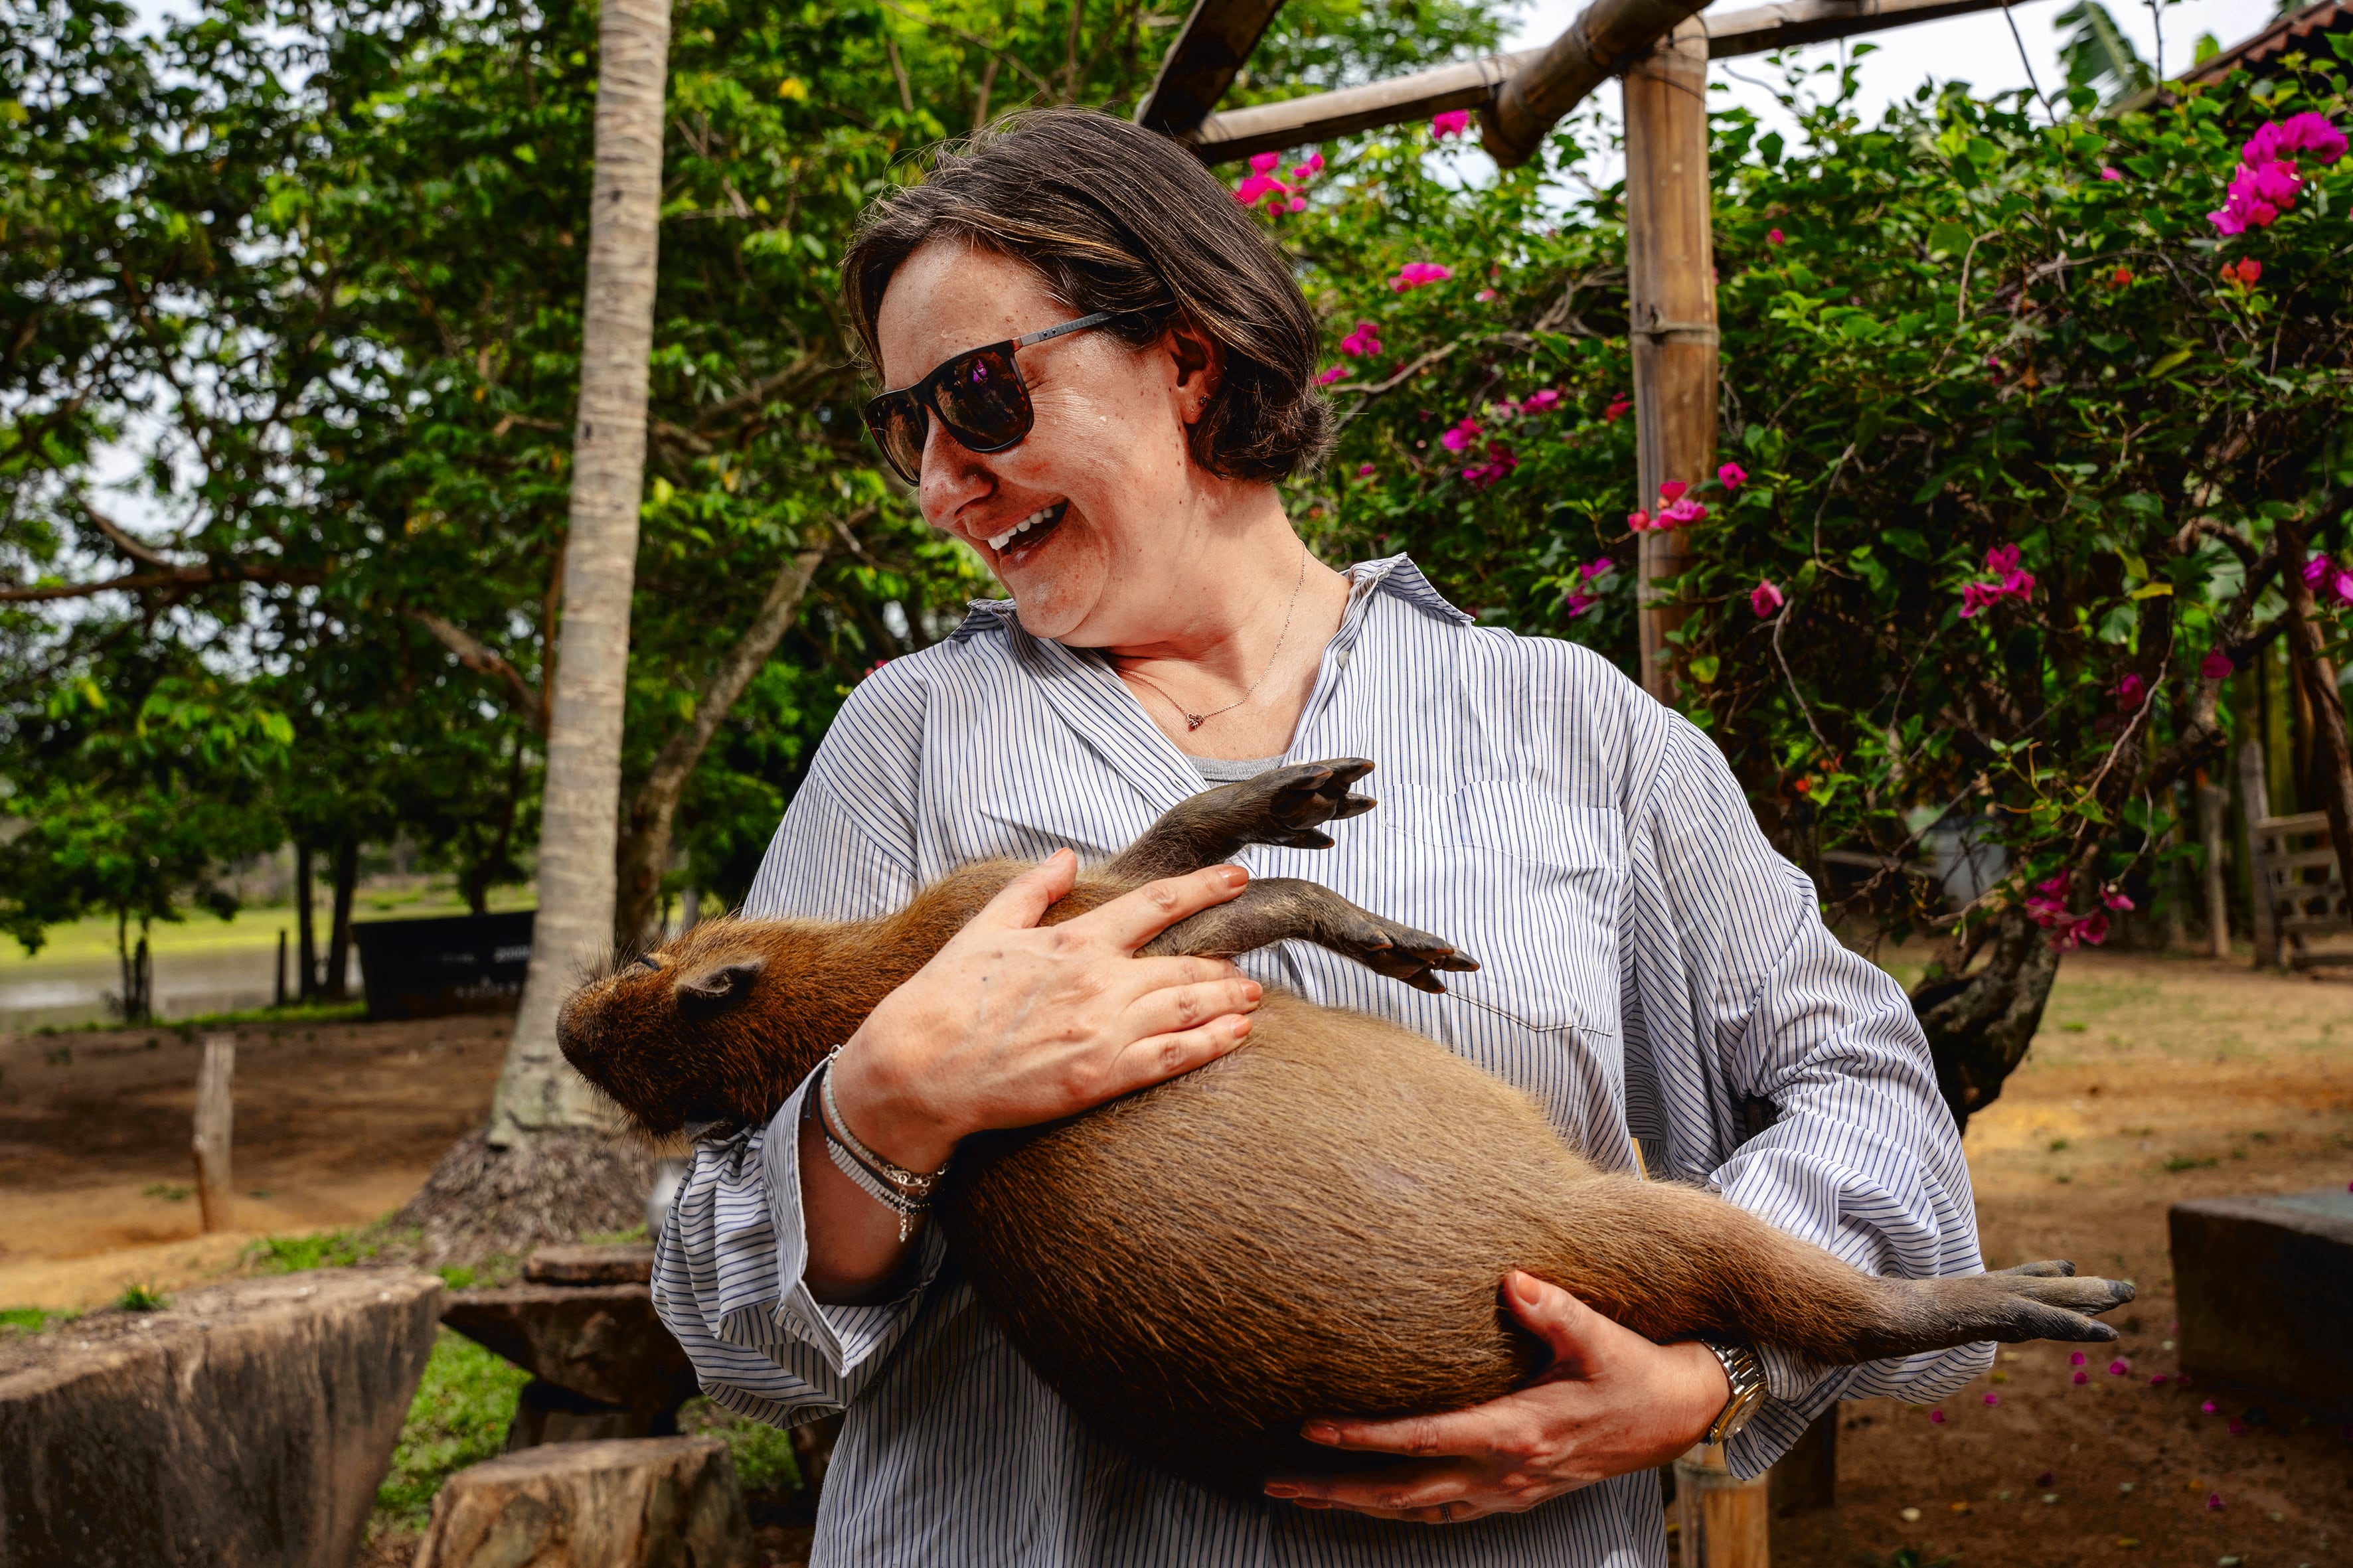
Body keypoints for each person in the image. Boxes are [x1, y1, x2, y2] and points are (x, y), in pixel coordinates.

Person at [650, 107, 1989, 1565]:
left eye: (977, 393)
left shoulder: (1565, 723)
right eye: (900, 424)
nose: (935, 481)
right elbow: (724, 1318)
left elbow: (1866, 1095)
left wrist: (1705, 1374)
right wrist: (878, 1116)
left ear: (1184, 354)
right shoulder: (908, 741)